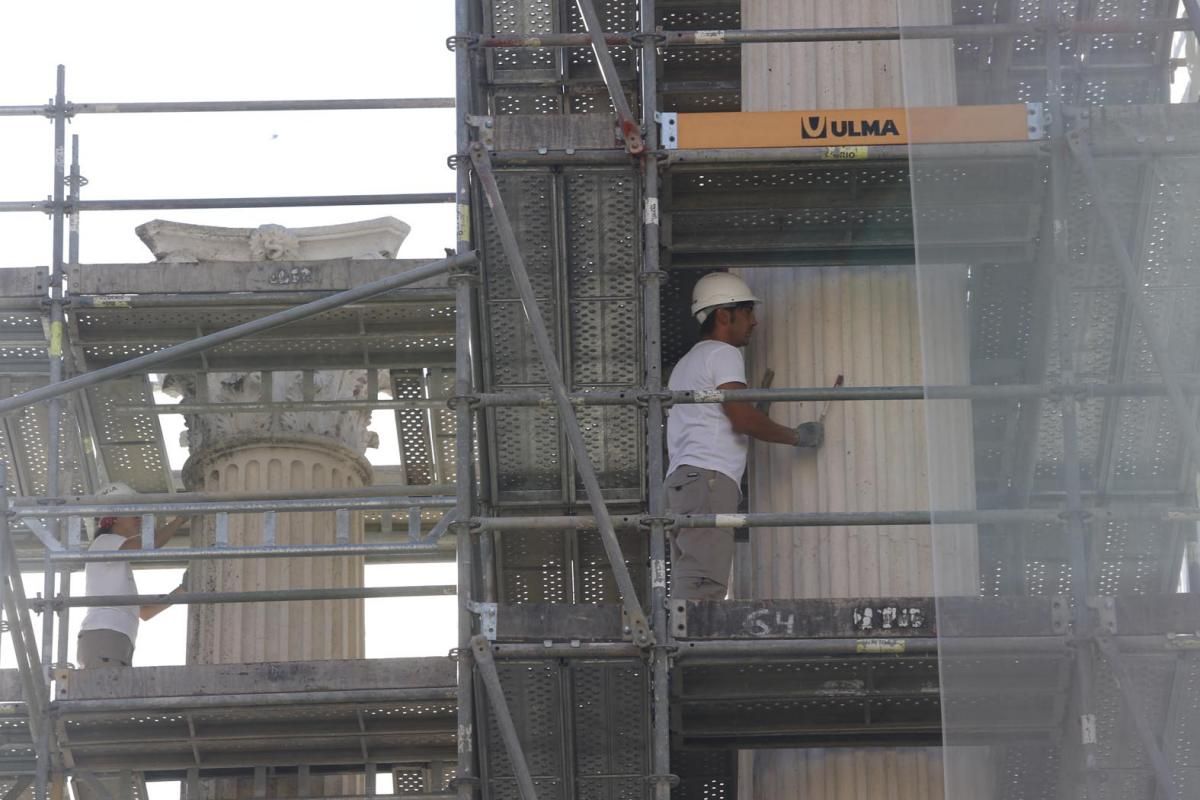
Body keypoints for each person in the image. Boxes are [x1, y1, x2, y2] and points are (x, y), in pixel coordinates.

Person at [666, 272, 823, 600]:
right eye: (748, 312)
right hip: (708, 479)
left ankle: (677, 643)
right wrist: (796, 436)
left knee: (691, 572)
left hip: (684, 481)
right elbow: (739, 418)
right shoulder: (723, 353)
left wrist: (752, 418)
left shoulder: (686, 364)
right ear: (724, 314)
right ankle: (692, 644)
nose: (755, 322)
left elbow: (718, 420)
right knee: (704, 582)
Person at [76, 482, 187, 668]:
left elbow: (143, 612)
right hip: (105, 636)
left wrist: (183, 590)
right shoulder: (105, 542)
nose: (139, 517)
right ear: (114, 517)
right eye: (132, 511)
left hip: (113, 638)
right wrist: (179, 520)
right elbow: (151, 544)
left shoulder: (115, 558)